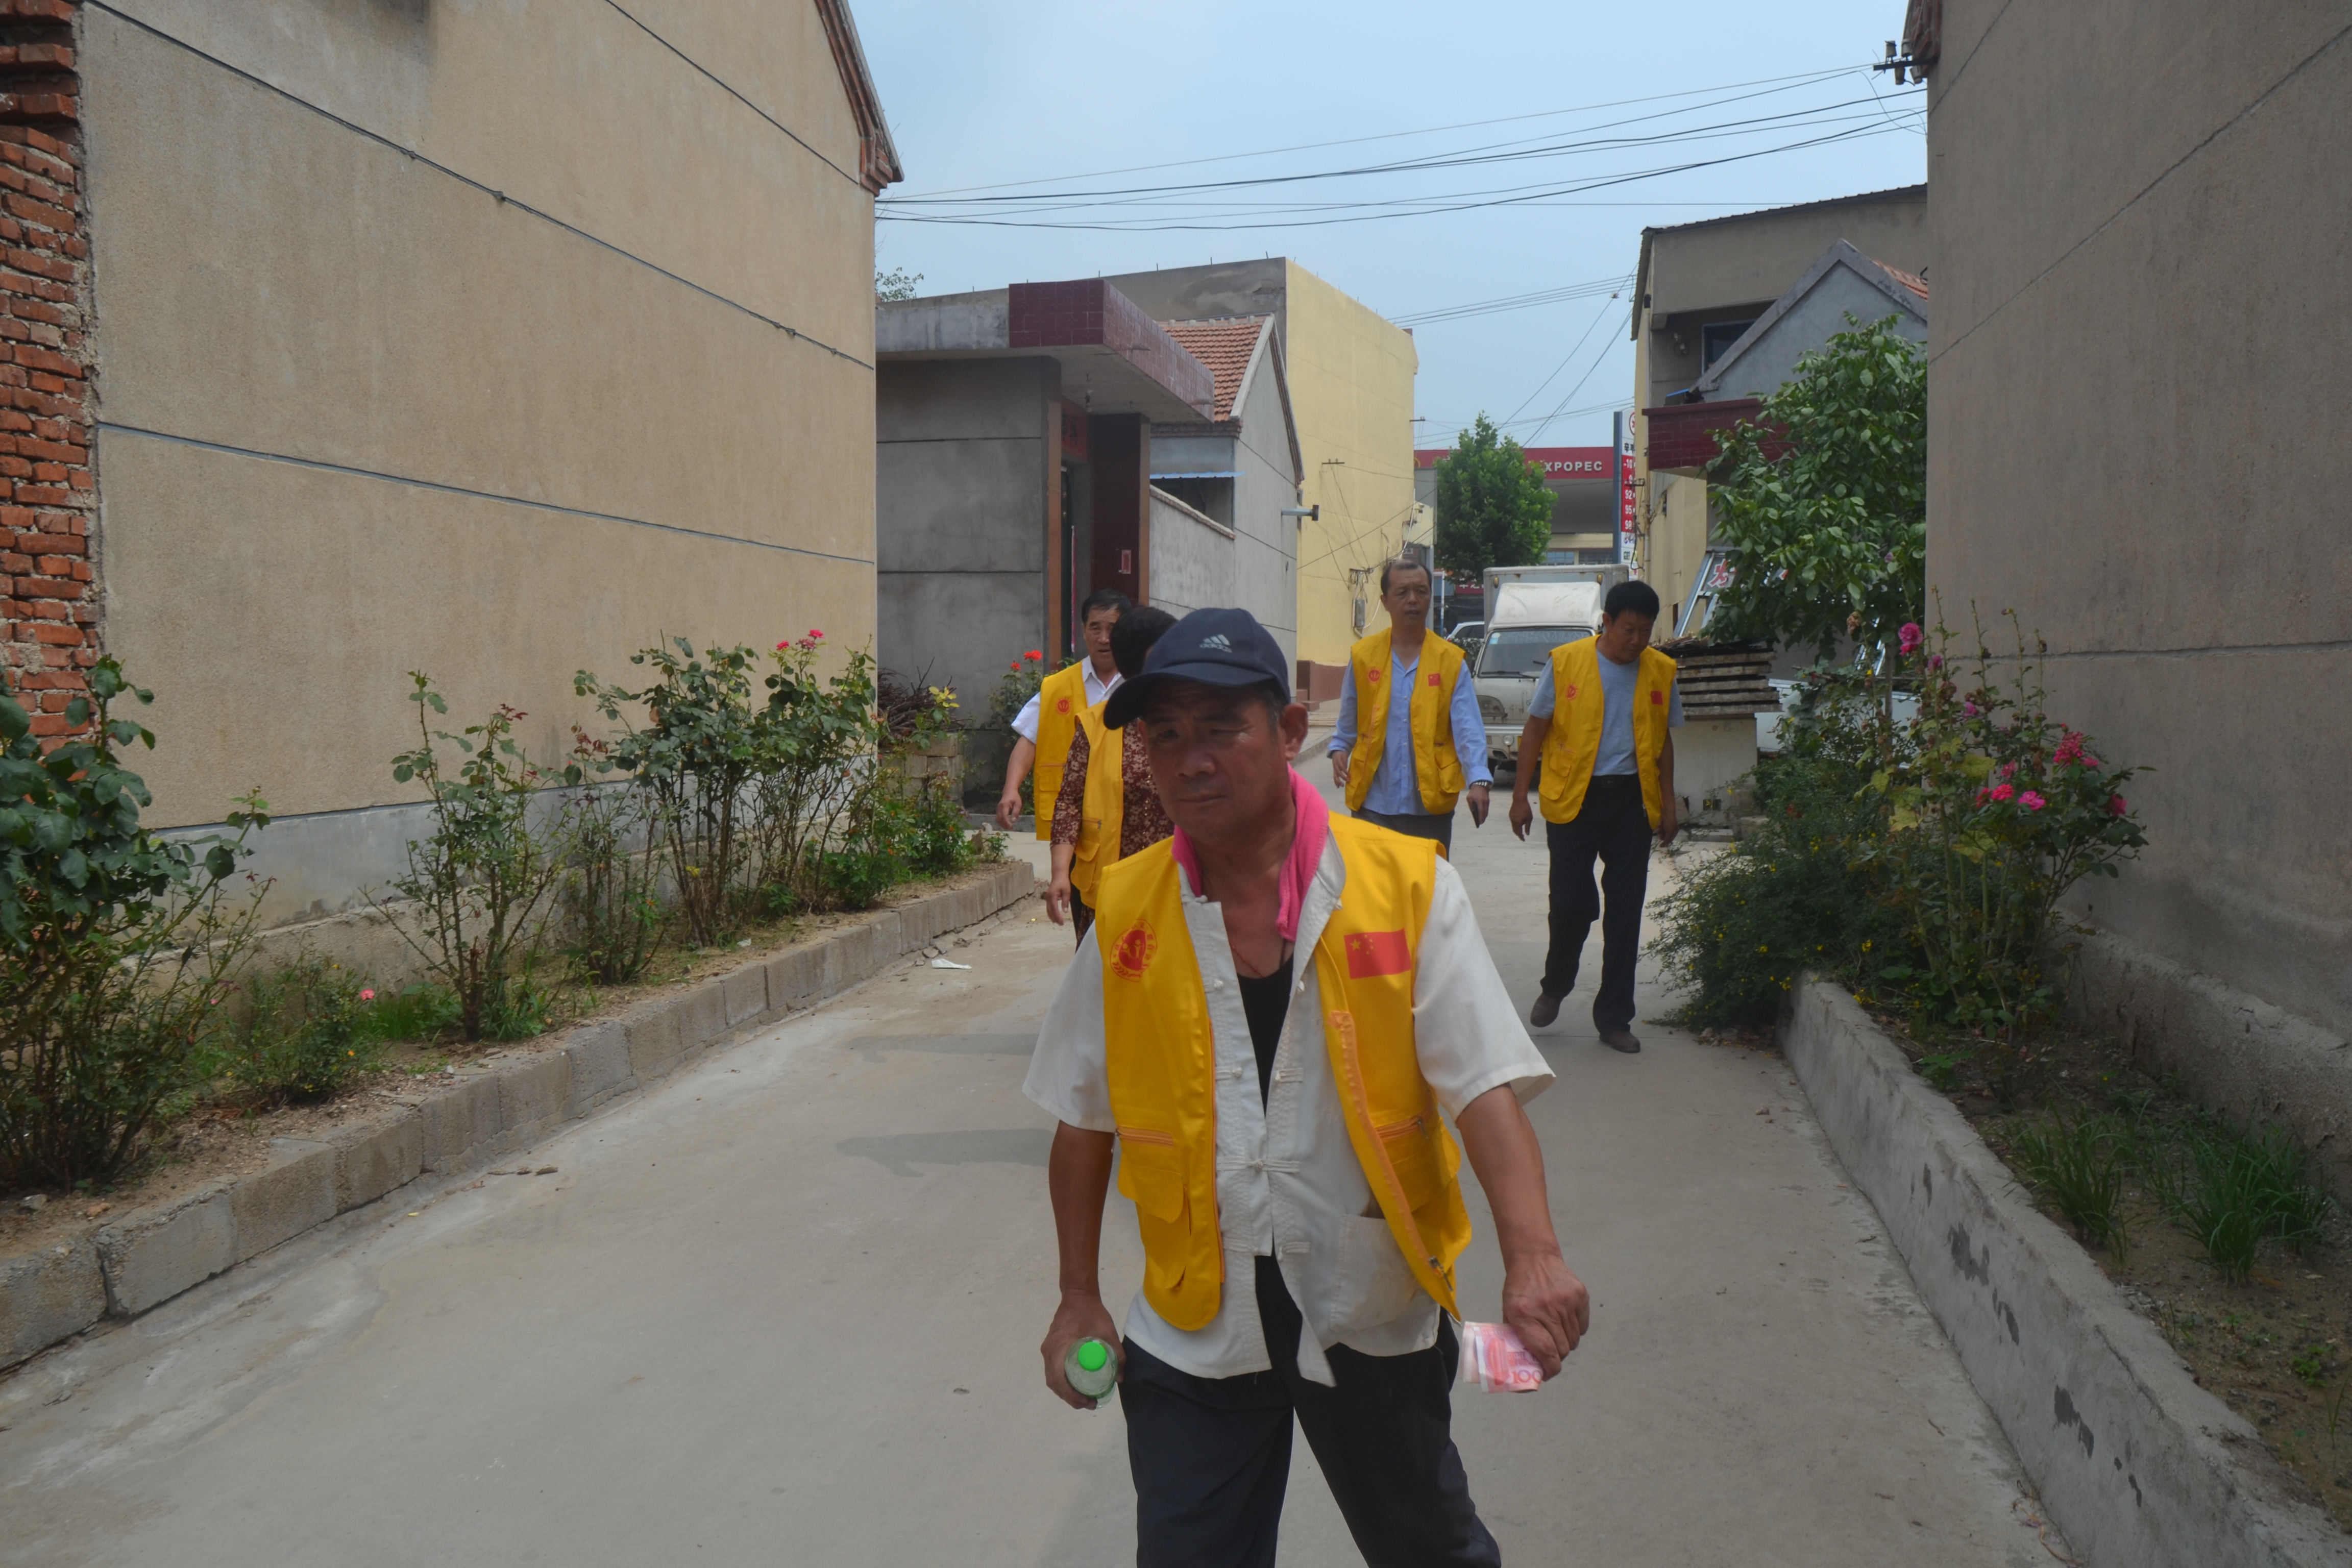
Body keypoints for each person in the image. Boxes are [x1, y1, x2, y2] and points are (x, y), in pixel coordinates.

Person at [1027, 606, 1591, 1568]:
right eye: (1164, 734)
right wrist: (1077, 1294)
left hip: (1363, 1300)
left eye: (1219, 727)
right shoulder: (1126, 904)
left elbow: (1485, 1088)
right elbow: (1081, 1120)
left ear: (1288, 732)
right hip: (1195, 1315)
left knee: (1430, 1547)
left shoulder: (1403, 886)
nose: (1188, 758)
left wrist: (1533, 1254)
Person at [1506, 580, 1682, 1054]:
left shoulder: (1661, 671)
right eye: (1628, 630)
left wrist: (1669, 803)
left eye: (1645, 632)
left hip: (1631, 802)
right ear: (1607, 621)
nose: (1637, 641)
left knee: (1625, 913)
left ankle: (1614, 1019)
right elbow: (1535, 731)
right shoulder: (1567, 663)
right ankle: (1556, 984)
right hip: (1574, 801)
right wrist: (1520, 796)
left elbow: (1663, 742)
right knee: (1571, 904)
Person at [1327, 559, 1492, 854]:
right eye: (1402, 592)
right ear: (1385, 601)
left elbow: (1468, 728)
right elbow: (1350, 715)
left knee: (1428, 893)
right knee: (1375, 894)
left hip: (1430, 808)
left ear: (1430, 598)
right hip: (1372, 804)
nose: (1413, 600)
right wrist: (1340, 747)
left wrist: (1478, 779)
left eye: (1421, 591)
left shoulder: (1450, 661)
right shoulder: (1364, 656)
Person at [1046, 605, 1178, 942]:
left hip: (1177, 884)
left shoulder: (1190, 723)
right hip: (1107, 887)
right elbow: (1069, 803)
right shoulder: (1096, 725)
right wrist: (1060, 873)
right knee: (1105, 983)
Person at [997, 590, 1132, 833]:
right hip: (1070, 819)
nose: (1104, 638)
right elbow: (1030, 740)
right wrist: (1011, 789)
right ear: (1083, 631)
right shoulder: (1056, 688)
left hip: (1127, 814)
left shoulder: (1140, 683)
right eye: (1095, 628)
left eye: (1112, 629)